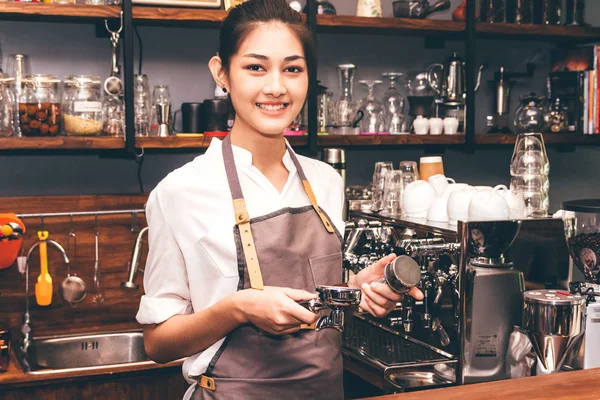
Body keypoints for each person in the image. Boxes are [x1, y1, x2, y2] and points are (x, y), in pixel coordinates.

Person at [136, 0, 423, 398]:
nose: (276, 87)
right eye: (256, 67)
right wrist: (237, 308)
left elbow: (315, 301)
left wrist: (355, 292)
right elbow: (157, 343)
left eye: (292, 69)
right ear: (222, 73)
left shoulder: (325, 181)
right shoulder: (180, 191)